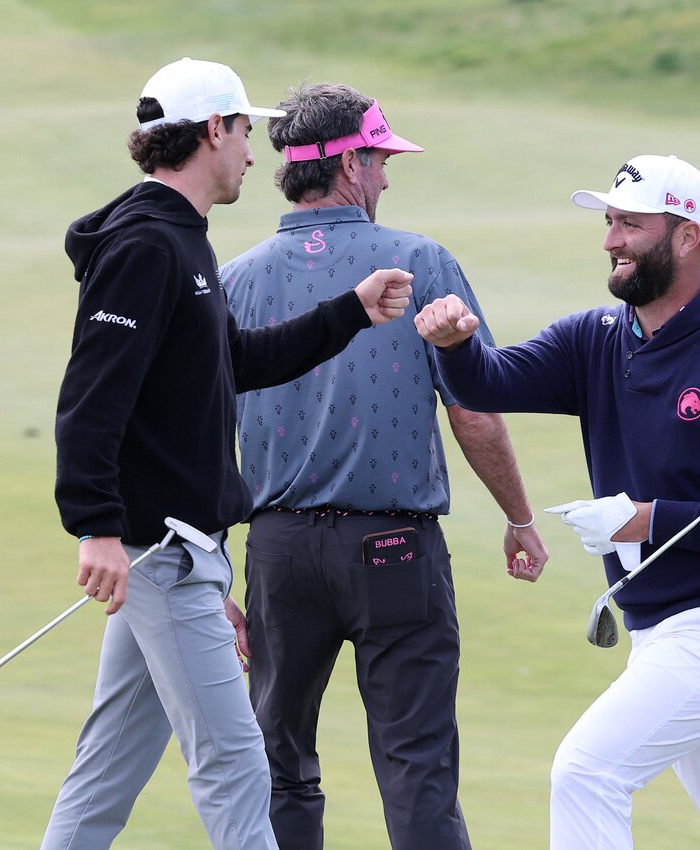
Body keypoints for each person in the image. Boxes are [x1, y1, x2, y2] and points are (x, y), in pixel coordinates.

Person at [45, 59, 413, 850]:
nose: (254, 150)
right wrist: (96, 528)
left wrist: (348, 311)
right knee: (237, 767)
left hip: (176, 553)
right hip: (165, 554)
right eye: (245, 130)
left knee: (108, 769)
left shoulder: (182, 241)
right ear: (213, 131)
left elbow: (231, 362)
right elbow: (90, 400)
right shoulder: (148, 247)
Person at [415, 154, 700, 850]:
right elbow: (489, 382)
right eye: (609, 222)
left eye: (631, 224)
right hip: (678, 630)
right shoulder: (596, 339)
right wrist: (456, 345)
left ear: (687, 236)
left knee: (587, 772)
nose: (611, 240)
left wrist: (642, 520)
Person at [220, 82, 549, 850]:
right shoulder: (419, 262)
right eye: (380, 159)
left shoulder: (234, 280)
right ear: (349, 164)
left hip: (279, 556)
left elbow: (205, 435)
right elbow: (474, 410)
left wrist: (212, 572)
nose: (388, 177)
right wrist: (519, 519)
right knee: (417, 767)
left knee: (279, 764)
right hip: (394, 551)